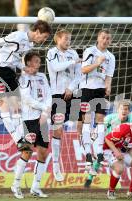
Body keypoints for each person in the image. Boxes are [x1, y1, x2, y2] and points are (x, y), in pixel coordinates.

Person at [0, 20, 51, 151]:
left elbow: (15, 59)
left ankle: (22, 139)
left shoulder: (29, 44)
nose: (45, 40)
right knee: (4, 104)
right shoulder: (18, 36)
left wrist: (24, 68)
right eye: (45, 36)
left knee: (17, 107)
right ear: (37, 32)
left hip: (9, 72)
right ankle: (18, 139)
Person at [11, 52, 52, 199]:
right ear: (27, 63)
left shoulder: (42, 77)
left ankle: (35, 187)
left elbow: (49, 95)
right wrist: (44, 108)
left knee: (43, 152)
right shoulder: (23, 78)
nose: (38, 64)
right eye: (35, 61)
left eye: (39, 62)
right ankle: (15, 185)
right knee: (26, 152)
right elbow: (26, 99)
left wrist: (46, 113)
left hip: (43, 119)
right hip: (29, 119)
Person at [47, 29, 82, 182]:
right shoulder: (52, 52)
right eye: (66, 39)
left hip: (72, 93)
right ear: (58, 39)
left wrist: (71, 88)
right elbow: (56, 67)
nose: (69, 41)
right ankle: (56, 166)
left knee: (82, 124)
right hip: (57, 95)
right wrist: (73, 62)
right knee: (58, 130)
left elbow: (79, 75)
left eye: (70, 39)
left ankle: (89, 159)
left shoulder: (73, 53)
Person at [80, 29, 115, 175]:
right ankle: (88, 154)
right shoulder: (90, 51)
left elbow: (108, 75)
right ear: (98, 38)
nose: (105, 40)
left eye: (108, 38)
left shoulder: (111, 57)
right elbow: (83, 69)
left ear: (110, 41)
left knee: (100, 120)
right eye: (103, 37)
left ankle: (99, 151)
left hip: (100, 89)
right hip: (87, 89)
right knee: (87, 120)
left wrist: (108, 87)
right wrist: (96, 63)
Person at [84, 100, 132, 187]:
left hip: (124, 144)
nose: (124, 111)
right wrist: (95, 144)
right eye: (122, 109)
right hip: (108, 143)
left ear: (129, 111)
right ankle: (90, 178)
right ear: (118, 110)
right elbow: (98, 131)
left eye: (126, 109)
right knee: (99, 158)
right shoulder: (110, 118)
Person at [103, 123, 132, 200]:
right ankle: (111, 191)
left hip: (123, 151)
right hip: (110, 149)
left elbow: (131, 148)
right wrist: (116, 151)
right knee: (119, 168)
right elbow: (107, 139)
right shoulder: (124, 128)